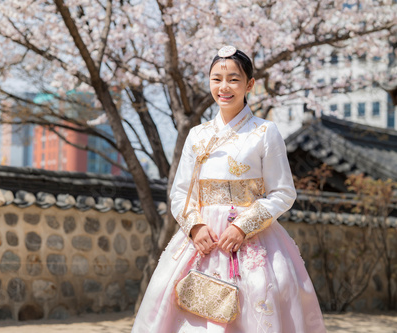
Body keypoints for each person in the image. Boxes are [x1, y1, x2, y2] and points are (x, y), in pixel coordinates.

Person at [132, 46, 326, 332]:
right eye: (216, 79)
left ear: (249, 85)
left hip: (250, 239)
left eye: (234, 79)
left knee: (260, 301)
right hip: (203, 240)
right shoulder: (197, 135)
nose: (224, 87)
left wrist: (243, 227)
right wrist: (195, 228)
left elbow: (283, 192)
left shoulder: (264, 132)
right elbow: (181, 193)